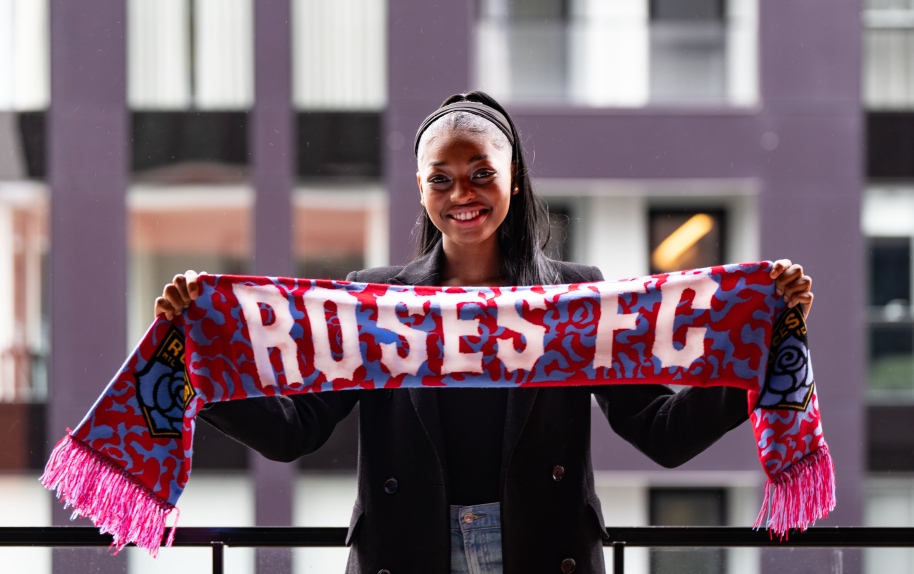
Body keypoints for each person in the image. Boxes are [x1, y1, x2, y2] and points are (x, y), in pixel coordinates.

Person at [155, 91, 814, 574]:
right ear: (419, 189)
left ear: (514, 180)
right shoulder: (376, 301)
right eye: (440, 178)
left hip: (541, 554)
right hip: (410, 554)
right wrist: (198, 360)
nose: (460, 192)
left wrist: (756, 347)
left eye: (480, 173)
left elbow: (663, 434)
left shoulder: (572, 300)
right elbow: (293, 430)